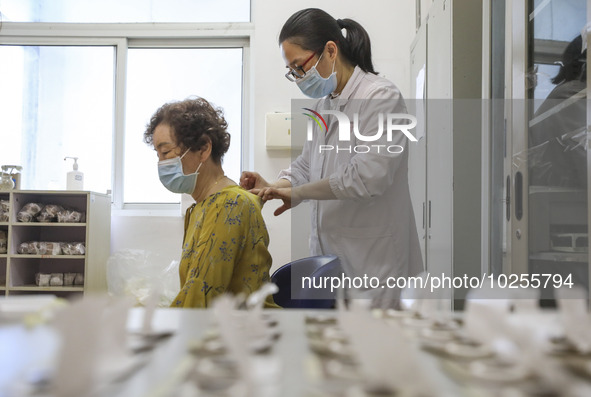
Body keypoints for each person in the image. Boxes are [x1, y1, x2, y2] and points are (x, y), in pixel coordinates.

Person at [241, 8, 423, 305]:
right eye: (293, 72)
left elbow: (367, 178)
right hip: (330, 264)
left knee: (375, 346)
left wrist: (298, 193)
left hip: (374, 264)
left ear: (330, 50)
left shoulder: (380, 97)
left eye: (300, 67)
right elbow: (306, 166)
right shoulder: (322, 107)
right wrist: (274, 185)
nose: (299, 77)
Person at [144, 97, 276, 308]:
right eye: (158, 155)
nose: (162, 164)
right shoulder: (202, 207)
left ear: (204, 148)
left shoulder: (230, 205)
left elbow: (201, 300)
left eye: (166, 152)